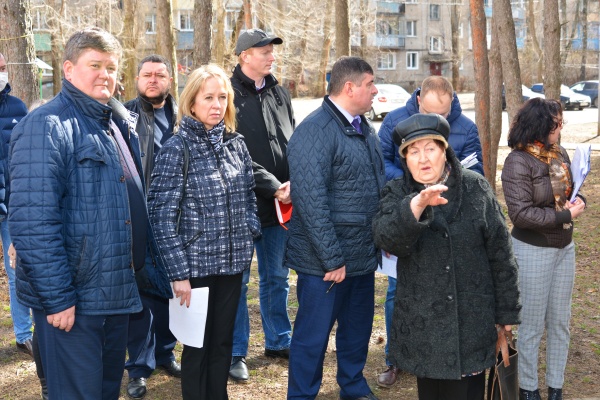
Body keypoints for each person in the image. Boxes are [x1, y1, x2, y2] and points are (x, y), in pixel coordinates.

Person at [8, 27, 172, 400]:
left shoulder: (112, 122)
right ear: (68, 69)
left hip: (115, 295)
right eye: (95, 65)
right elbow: (33, 222)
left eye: (112, 67)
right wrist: (58, 297)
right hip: (74, 304)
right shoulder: (47, 126)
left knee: (102, 392)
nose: (105, 75)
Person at [372, 113, 521, 400]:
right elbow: (386, 238)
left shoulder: (475, 188)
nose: (423, 158)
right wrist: (415, 206)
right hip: (423, 325)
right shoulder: (397, 192)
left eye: (430, 148)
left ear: (444, 151)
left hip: (471, 321)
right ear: (404, 158)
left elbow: (501, 255)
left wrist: (507, 313)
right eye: (413, 151)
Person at [148, 64, 261, 400]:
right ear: (192, 103)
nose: (216, 104)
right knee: (196, 347)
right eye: (208, 97)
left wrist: (248, 230)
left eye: (222, 97)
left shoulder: (236, 144)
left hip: (231, 264)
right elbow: (161, 216)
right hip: (193, 271)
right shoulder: (177, 148)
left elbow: (249, 195)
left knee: (222, 342)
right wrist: (178, 273)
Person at [285, 56, 385, 400]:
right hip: (326, 265)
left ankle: (353, 386)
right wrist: (332, 259)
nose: (375, 91)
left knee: (356, 332)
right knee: (312, 339)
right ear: (350, 87)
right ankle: (301, 395)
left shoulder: (362, 127)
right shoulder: (314, 131)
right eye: (370, 84)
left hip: (360, 257)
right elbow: (311, 202)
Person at [375, 75, 484, 388]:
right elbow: (381, 164)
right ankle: (395, 359)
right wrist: (417, 182)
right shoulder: (395, 121)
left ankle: (449, 348)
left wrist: (453, 178)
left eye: (445, 113)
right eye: (433, 111)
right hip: (410, 212)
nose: (440, 119)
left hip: (452, 217)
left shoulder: (465, 125)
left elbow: (477, 169)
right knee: (400, 290)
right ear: (419, 99)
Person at [501, 98, 586, 400]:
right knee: (532, 325)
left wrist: (580, 200)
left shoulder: (559, 153)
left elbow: (572, 187)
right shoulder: (517, 162)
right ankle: (528, 388)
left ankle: (556, 387)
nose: (561, 128)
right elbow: (521, 215)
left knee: (560, 322)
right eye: (557, 123)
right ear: (540, 125)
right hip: (532, 250)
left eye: (561, 122)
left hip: (565, 247)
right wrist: (565, 215)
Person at [229, 28, 295, 382]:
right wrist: (272, 185)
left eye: (272, 50)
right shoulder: (225, 95)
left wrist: (293, 182)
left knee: (277, 277)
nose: (271, 55)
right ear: (244, 56)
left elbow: (293, 140)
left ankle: (278, 340)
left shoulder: (280, 93)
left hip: (280, 206)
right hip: (241, 205)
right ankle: (236, 350)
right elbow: (230, 151)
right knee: (237, 282)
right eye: (264, 50)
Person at [123, 54, 180, 399]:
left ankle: (166, 353)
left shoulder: (183, 115)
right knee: (141, 297)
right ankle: (139, 368)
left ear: (170, 80)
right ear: (137, 79)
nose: (153, 79)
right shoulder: (124, 116)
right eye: (147, 74)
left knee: (171, 293)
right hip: (140, 219)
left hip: (176, 219)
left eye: (160, 74)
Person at [0, 52, 32, 357]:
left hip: (11, 206)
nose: (2, 73)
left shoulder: (17, 108)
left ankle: (24, 334)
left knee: (16, 270)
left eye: (3, 68)